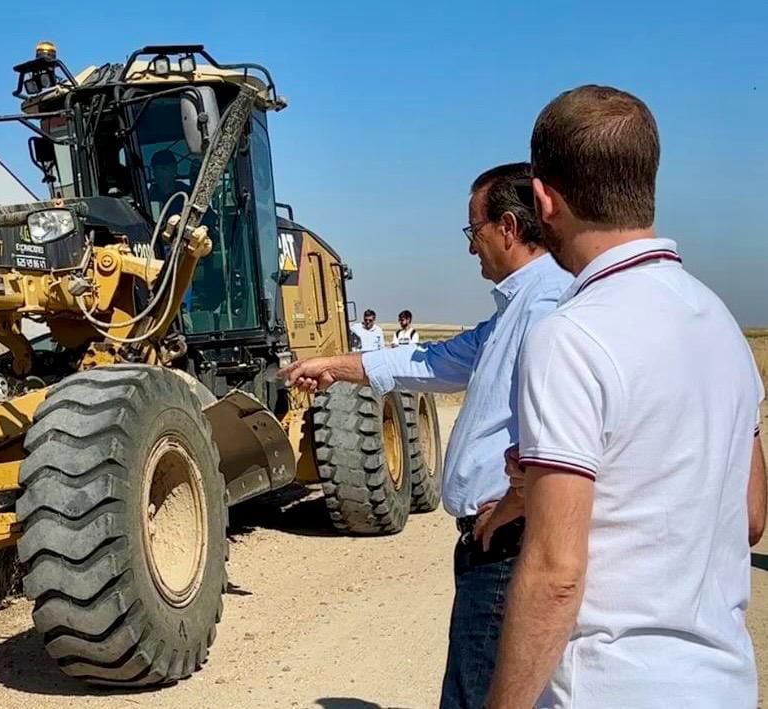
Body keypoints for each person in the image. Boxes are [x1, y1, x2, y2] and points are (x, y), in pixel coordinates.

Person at [482, 86, 766, 709]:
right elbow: (750, 516)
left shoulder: (571, 337)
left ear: (543, 199)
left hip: (611, 686)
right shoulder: (719, 323)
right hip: (724, 686)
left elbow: (557, 575)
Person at [280, 162, 572, 709]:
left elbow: (558, 434)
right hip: (493, 539)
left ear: (508, 228)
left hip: (507, 543)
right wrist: (340, 365)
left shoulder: (549, 309)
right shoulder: (516, 309)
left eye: (474, 231)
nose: (470, 248)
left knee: (478, 694)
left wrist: (512, 506)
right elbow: (434, 360)